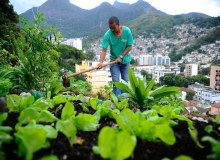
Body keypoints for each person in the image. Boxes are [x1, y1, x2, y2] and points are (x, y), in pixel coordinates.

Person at [97, 16, 134, 97]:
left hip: (125, 61)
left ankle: (124, 102)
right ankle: (117, 102)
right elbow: (104, 50)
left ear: (118, 25)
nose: (112, 30)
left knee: (125, 83)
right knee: (116, 82)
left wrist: (121, 56)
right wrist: (100, 62)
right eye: (110, 28)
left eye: (114, 28)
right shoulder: (108, 34)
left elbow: (129, 46)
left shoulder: (127, 31)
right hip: (114, 61)